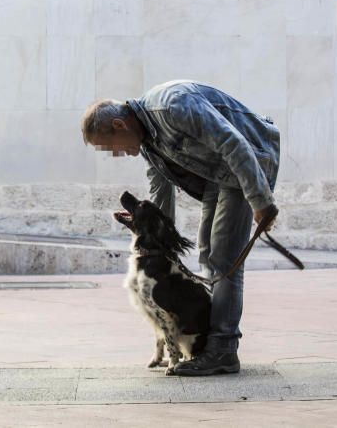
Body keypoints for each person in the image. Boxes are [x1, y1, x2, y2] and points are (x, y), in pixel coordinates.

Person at [81, 80, 280, 377]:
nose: (117, 155)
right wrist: (156, 246)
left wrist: (260, 200)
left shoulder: (172, 106)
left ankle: (223, 350)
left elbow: (233, 142)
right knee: (207, 251)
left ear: (120, 125)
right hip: (219, 174)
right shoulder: (147, 141)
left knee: (224, 258)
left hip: (249, 158)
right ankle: (210, 344)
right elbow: (160, 194)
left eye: (112, 148)